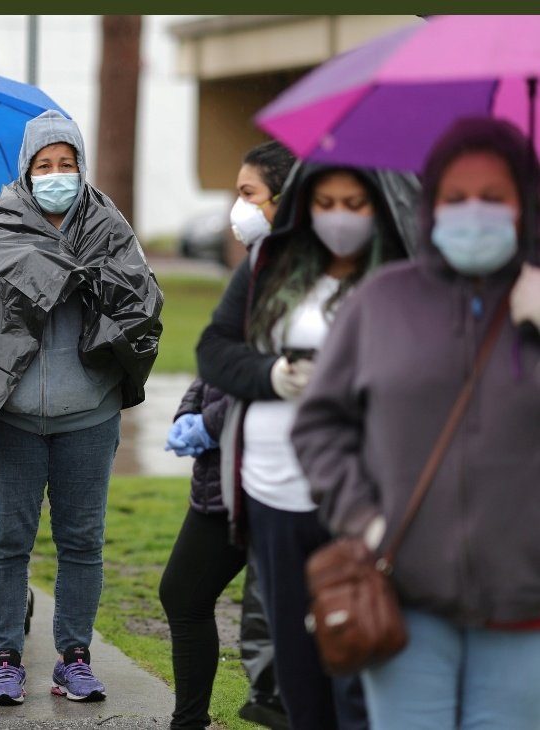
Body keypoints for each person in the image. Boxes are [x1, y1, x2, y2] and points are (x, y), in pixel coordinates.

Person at [292, 118, 540, 730]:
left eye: (493, 197)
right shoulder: (383, 300)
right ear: (431, 206)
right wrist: (363, 518)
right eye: (456, 198)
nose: (473, 212)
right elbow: (320, 424)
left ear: (523, 205)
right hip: (401, 591)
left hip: (526, 601)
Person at [0, 110, 163, 706]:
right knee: (8, 541)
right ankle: (6, 658)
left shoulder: (109, 229)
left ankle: (75, 658)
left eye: (67, 165)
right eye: (45, 166)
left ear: (82, 169)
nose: (56, 175)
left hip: (89, 412)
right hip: (14, 418)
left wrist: (89, 281)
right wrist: (46, 274)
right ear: (27, 171)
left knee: (82, 542)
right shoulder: (1, 227)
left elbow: (141, 303)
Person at [195, 160, 415, 730]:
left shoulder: (399, 274)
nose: (337, 218)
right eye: (325, 203)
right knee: (298, 673)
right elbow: (216, 349)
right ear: (303, 206)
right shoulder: (270, 264)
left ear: (379, 208)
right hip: (273, 496)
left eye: (353, 204)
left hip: (360, 499)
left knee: (360, 661)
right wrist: (275, 375)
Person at [160, 140, 295, 730]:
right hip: (223, 474)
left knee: (280, 629)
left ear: (283, 202)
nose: (236, 210)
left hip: (267, 474)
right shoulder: (253, 268)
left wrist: (210, 426)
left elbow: (281, 373)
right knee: (183, 595)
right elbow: (214, 358)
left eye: (248, 195)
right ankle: (189, 722)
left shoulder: (299, 280)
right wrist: (189, 416)